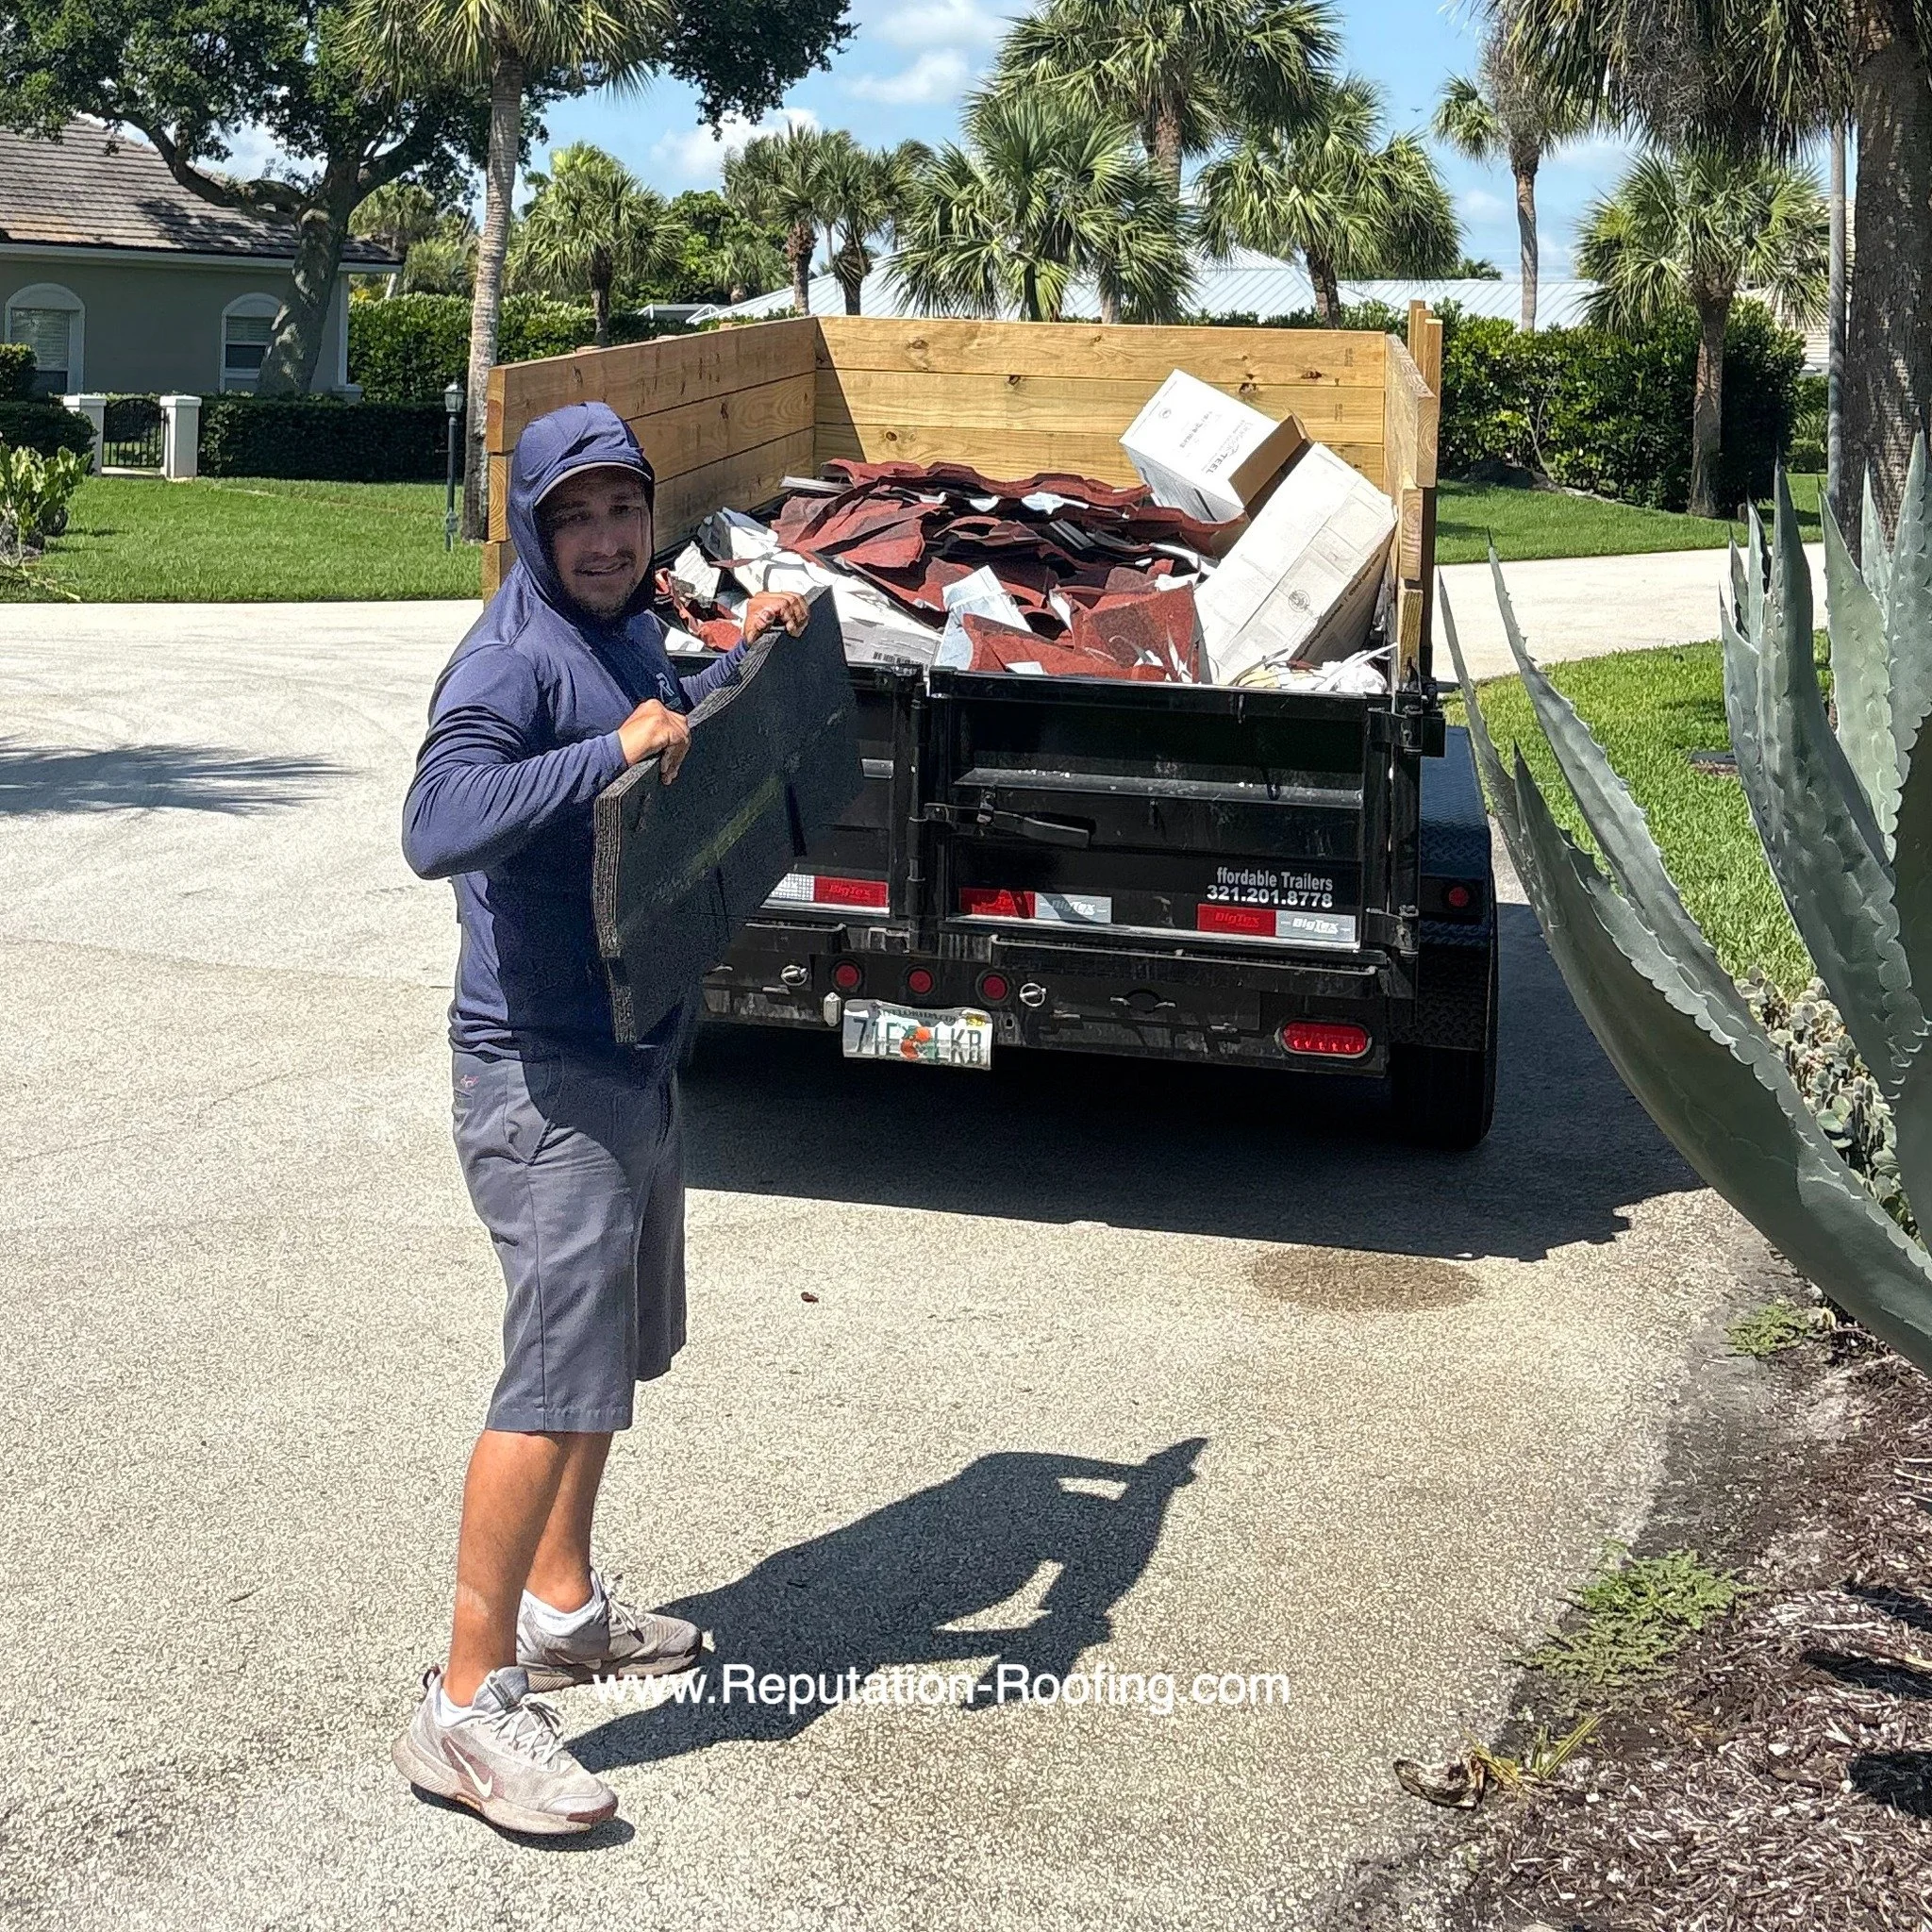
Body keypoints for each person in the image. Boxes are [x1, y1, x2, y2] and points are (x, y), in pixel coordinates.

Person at [392, 400, 807, 1836]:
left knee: (612, 1355)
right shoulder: (508, 659)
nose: (605, 537)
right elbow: (435, 822)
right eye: (573, 517)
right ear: (531, 528)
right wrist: (608, 754)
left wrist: (749, 655)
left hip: (631, 1046)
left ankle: (563, 1614)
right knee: (552, 1374)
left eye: (623, 509)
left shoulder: (633, 621)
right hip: (537, 1069)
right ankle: (463, 1705)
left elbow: (671, 716)